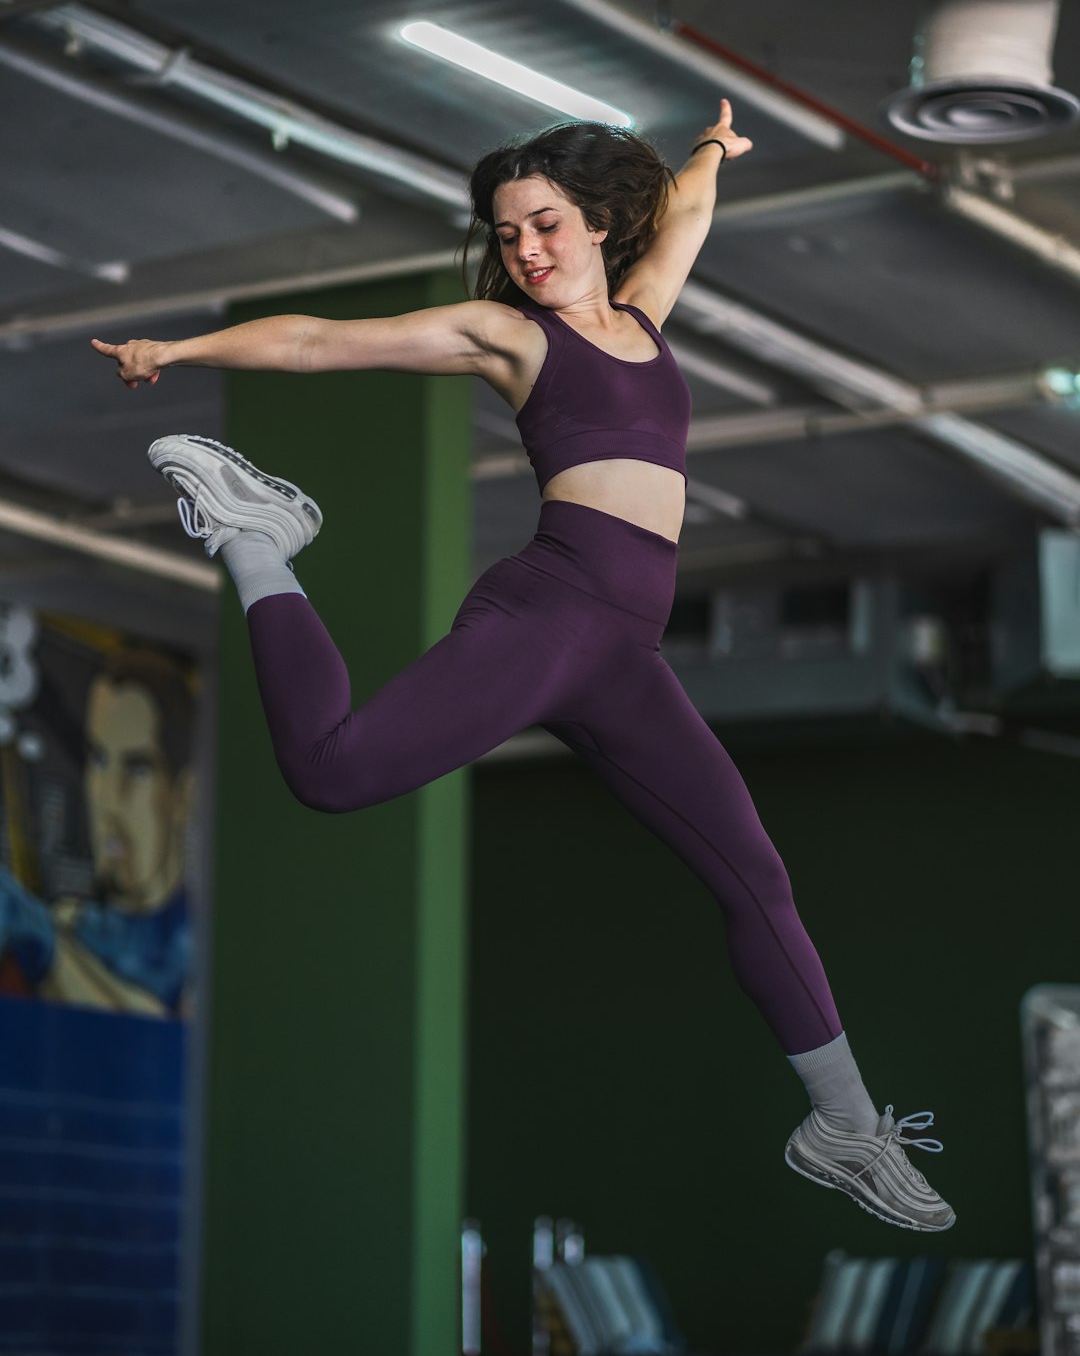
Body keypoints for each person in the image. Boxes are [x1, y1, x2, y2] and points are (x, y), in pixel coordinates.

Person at [91, 102, 954, 1231]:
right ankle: (259, 538)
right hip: (552, 612)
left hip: (624, 658)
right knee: (332, 770)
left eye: (544, 225)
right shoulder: (513, 338)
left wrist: (710, 150)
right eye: (507, 237)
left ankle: (844, 1123)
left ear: (598, 223)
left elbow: (686, 211)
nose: (527, 252)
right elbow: (316, 340)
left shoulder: (644, 316)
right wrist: (180, 350)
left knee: (755, 876)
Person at [0, 648, 195, 1015]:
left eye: (138, 770)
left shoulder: (208, 946)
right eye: (99, 761)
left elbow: (161, 1027)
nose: (109, 799)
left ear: (183, 795)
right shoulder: (72, 925)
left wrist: (48, 948)